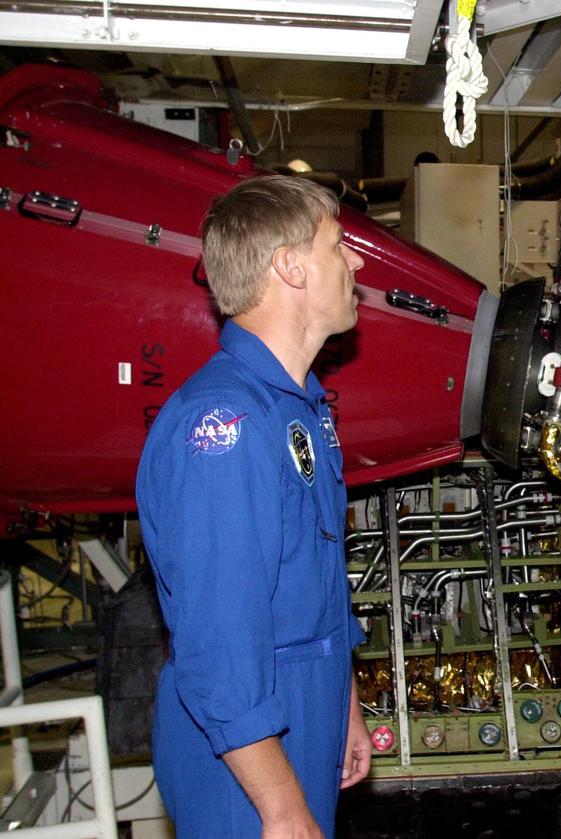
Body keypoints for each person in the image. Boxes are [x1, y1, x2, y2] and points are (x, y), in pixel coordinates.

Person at [136, 174, 372, 837]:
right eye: (337, 245)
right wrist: (279, 804)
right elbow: (218, 644)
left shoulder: (297, 407)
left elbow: (315, 578)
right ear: (289, 266)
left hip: (302, 703)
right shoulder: (226, 426)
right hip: (241, 736)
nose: (355, 262)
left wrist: (342, 697)